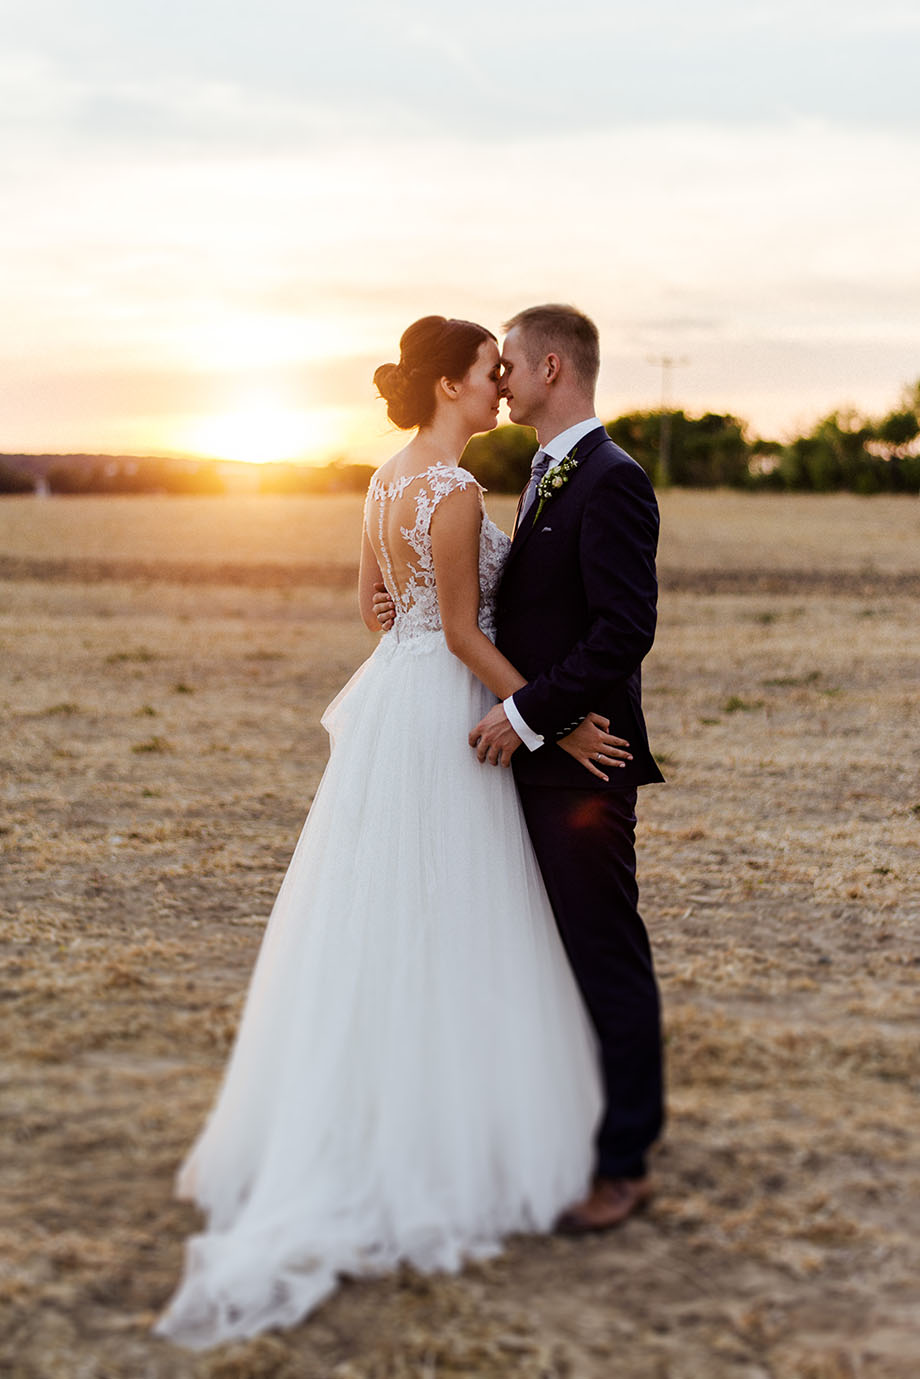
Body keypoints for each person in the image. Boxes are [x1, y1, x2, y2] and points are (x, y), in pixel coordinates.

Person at [154, 315, 631, 1351]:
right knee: (451, 909)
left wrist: (414, 625)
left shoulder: (383, 477)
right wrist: (549, 714)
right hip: (445, 700)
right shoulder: (453, 491)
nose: (498, 386)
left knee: (380, 910)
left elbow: (375, 607)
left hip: (393, 693)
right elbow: (461, 629)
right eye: (483, 372)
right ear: (451, 385)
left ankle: (372, 1114)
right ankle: (436, 1144)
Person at [469, 304, 665, 1232]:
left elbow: (624, 629)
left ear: (552, 366)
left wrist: (527, 714)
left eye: (509, 363)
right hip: (544, 756)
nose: (500, 378)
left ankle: (623, 1162)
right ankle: (563, 1130)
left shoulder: (613, 479)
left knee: (603, 957)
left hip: (583, 770)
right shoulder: (547, 473)